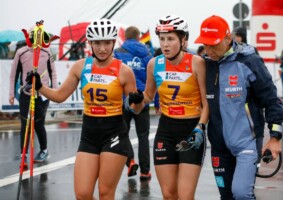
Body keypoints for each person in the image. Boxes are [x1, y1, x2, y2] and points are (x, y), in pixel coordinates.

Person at [26, 18, 143, 199]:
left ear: (113, 43)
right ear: (90, 43)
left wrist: (137, 100)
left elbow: (135, 109)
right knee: (82, 194)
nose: (102, 48)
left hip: (114, 134)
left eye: (106, 43)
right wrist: (40, 86)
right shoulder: (81, 67)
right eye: (97, 43)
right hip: (89, 134)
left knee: (105, 193)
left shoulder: (124, 71)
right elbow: (59, 96)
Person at [194, 15, 283, 199]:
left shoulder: (249, 61)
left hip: (247, 142)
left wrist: (275, 138)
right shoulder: (205, 63)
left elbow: (272, 100)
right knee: (226, 196)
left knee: (241, 194)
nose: (208, 50)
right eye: (205, 44)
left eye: (214, 44)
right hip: (218, 145)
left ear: (228, 39)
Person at [129, 14, 209, 199]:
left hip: (191, 130)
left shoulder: (197, 63)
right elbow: (148, 96)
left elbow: (207, 103)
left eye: (171, 39)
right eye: (162, 39)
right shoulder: (153, 64)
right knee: (169, 194)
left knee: (185, 196)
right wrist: (135, 101)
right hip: (166, 130)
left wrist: (201, 127)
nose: (165, 44)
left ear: (183, 40)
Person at [9, 27, 58, 168]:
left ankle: (44, 150)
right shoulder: (21, 52)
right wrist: (11, 95)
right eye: (34, 36)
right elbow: (14, 75)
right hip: (26, 94)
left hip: (43, 94)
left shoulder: (47, 52)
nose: (37, 40)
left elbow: (53, 73)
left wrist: (54, 93)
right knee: (25, 124)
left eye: (39, 36)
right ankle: (23, 154)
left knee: (38, 123)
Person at [113, 26, 153, 179]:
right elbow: (153, 79)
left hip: (124, 100)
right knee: (143, 136)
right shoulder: (147, 54)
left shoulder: (118, 53)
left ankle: (130, 161)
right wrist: (157, 102)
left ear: (125, 36)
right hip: (142, 99)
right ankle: (145, 171)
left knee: (123, 133)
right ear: (138, 37)